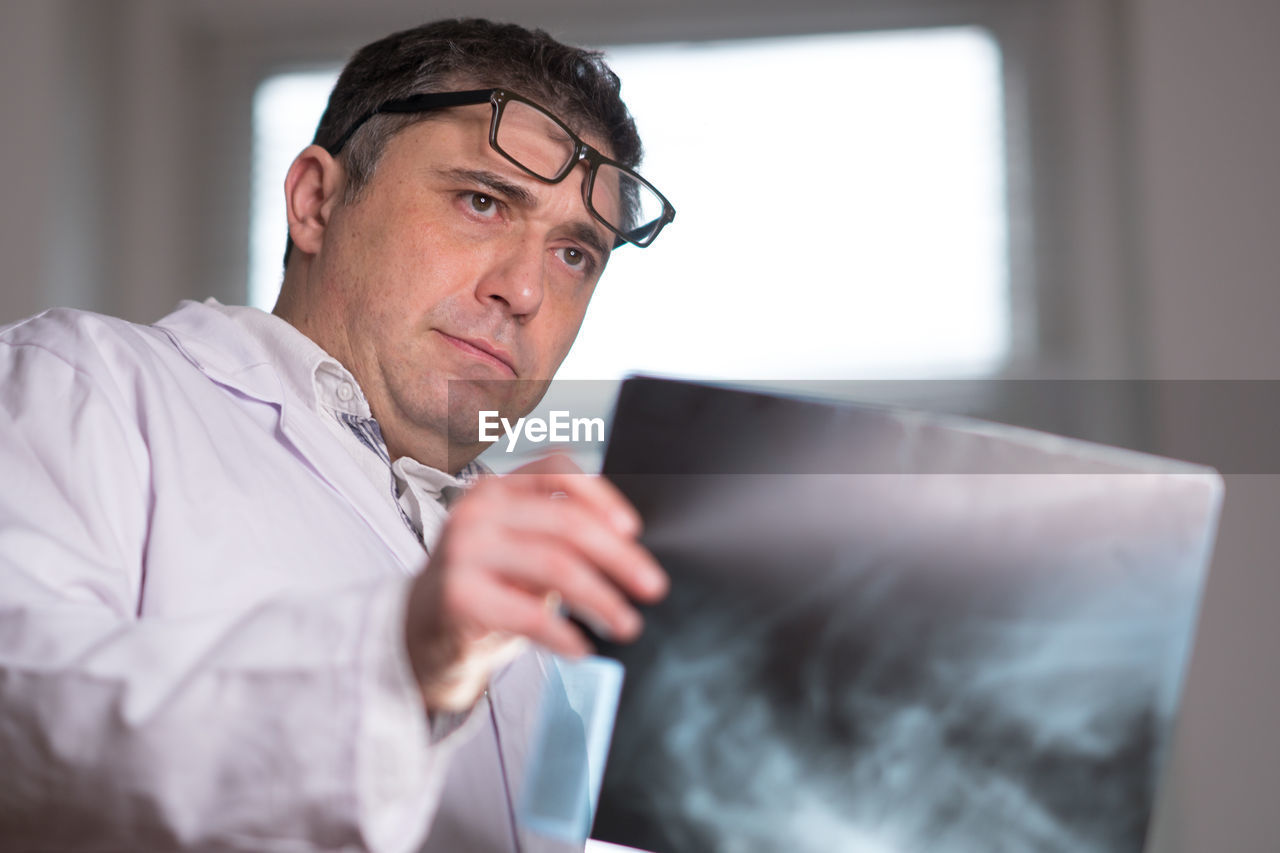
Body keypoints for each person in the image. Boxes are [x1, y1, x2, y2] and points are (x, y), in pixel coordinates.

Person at [0, 17, 673, 852]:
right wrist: (405, 656)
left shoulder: (536, 613)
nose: (525, 290)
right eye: (482, 200)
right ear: (316, 201)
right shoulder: (87, 386)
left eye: (575, 253)